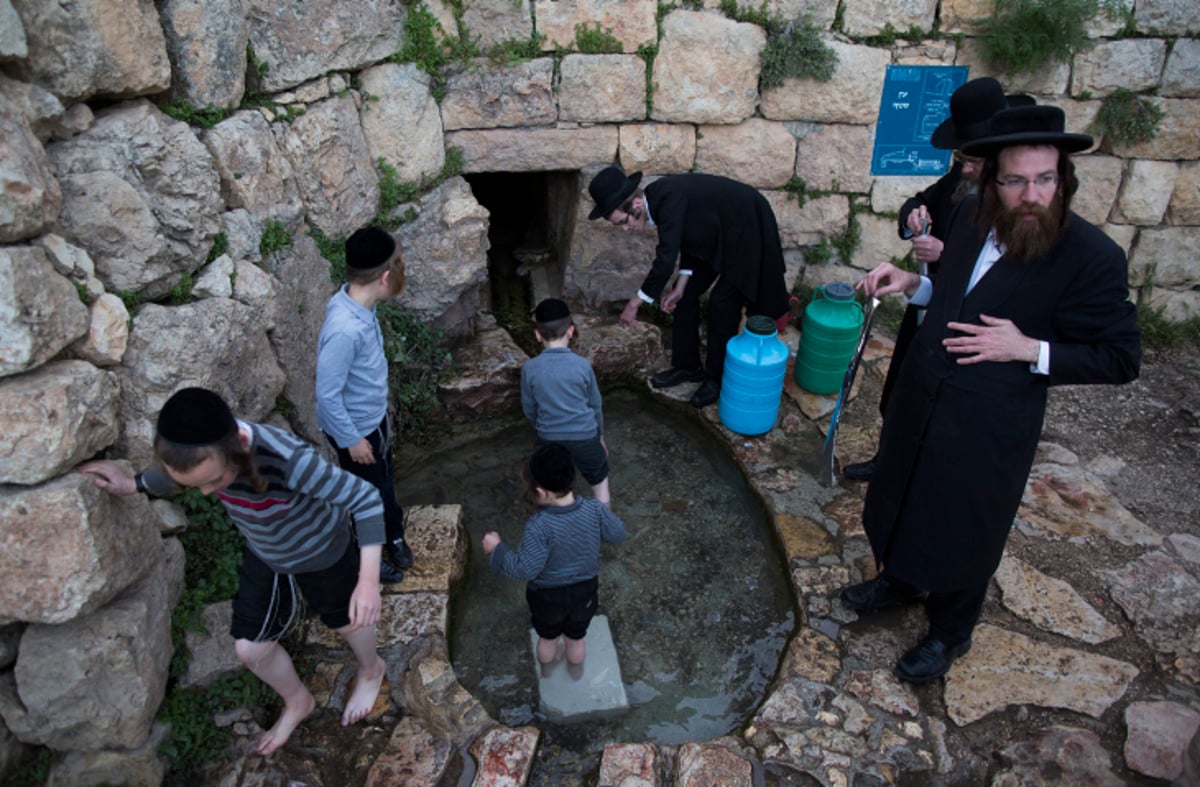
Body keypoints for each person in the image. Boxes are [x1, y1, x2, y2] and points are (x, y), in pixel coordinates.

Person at [840, 105, 1141, 683]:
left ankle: (951, 630)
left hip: (990, 423)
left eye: (1045, 179)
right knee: (904, 493)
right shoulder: (972, 213)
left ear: (1064, 180)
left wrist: (1030, 348)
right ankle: (899, 580)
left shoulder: (1093, 257)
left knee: (964, 522)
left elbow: (1121, 358)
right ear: (993, 179)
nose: (1032, 195)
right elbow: (954, 292)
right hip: (924, 396)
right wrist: (913, 284)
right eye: (1016, 180)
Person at [79, 388, 390, 755]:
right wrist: (134, 484)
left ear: (240, 442)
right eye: (197, 486)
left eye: (215, 481)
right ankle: (298, 701)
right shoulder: (204, 459)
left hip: (322, 549)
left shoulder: (288, 459)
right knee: (250, 648)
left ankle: (371, 669)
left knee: (347, 620)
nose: (208, 493)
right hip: (267, 552)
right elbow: (178, 477)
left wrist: (367, 583)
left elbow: (365, 498)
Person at [844, 78, 1034, 481]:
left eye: (972, 161)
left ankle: (920, 472)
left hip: (973, 330)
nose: (963, 167)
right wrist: (913, 219)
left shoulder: (1022, 211)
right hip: (929, 307)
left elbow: (1003, 275)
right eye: (959, 158)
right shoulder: (961, 179)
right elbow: (920, 200)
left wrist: (947, 254)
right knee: (901, 389)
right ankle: (888, 460)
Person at [586, 167, 791, 408]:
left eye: (623, 221)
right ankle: (687, 367)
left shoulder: (667, 199)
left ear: (637, 203)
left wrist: (635, 303)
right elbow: (693, 238)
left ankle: (716, 378)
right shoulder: (661, 200)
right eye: (618, 225)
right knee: (683, 297)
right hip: (718, 233)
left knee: (721, 304)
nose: (625, 229)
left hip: (746, 228)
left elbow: (665, 259)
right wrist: (681, 285)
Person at [316, 226, 413, 583]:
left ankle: (394, 533)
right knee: (365, 497)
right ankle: (367, 557)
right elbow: (326, 395)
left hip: (372, 420)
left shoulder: (357, 305)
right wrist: (351, 440)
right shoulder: (345, 329)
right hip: (356, 432)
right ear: (385, 278)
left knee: (384, 481)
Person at [481, 443, 626, 677]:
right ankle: (576, 672)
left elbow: (525, 569)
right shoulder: (594, 510)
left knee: (548, 640)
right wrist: (601, 517)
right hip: (585, 592)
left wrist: (497, 549)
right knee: (576, 639)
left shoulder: (539, 526)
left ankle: (547, 672)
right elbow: (618, 534)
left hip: (547, 598)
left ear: (539, 492)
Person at [521, 298, 611, 507]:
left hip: (549, 438)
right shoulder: (582, 366)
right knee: (600, 486)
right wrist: (600, 437)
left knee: (551, 491)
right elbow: (595, 405)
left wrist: (543, 427)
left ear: (537, 334)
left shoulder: (530, 368)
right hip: (586, 437)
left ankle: (558, 529)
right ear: (570, 331)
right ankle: (604, 528)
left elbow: (529, 408)